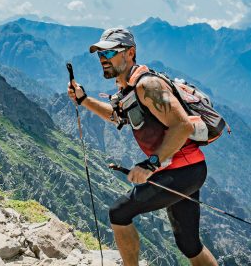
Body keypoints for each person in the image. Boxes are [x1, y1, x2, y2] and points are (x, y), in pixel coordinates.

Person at [67, 28, 218, 266]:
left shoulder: (147, 86)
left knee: (119, 213)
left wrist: (151, 164)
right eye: (100, 55)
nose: (103, 61)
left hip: (182, 171)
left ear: (130, 53)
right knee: (189, 244)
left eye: (109, 54)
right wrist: (84, 100)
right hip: (188, 170)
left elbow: (182, 127)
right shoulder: (129, 87)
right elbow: (117, 117)